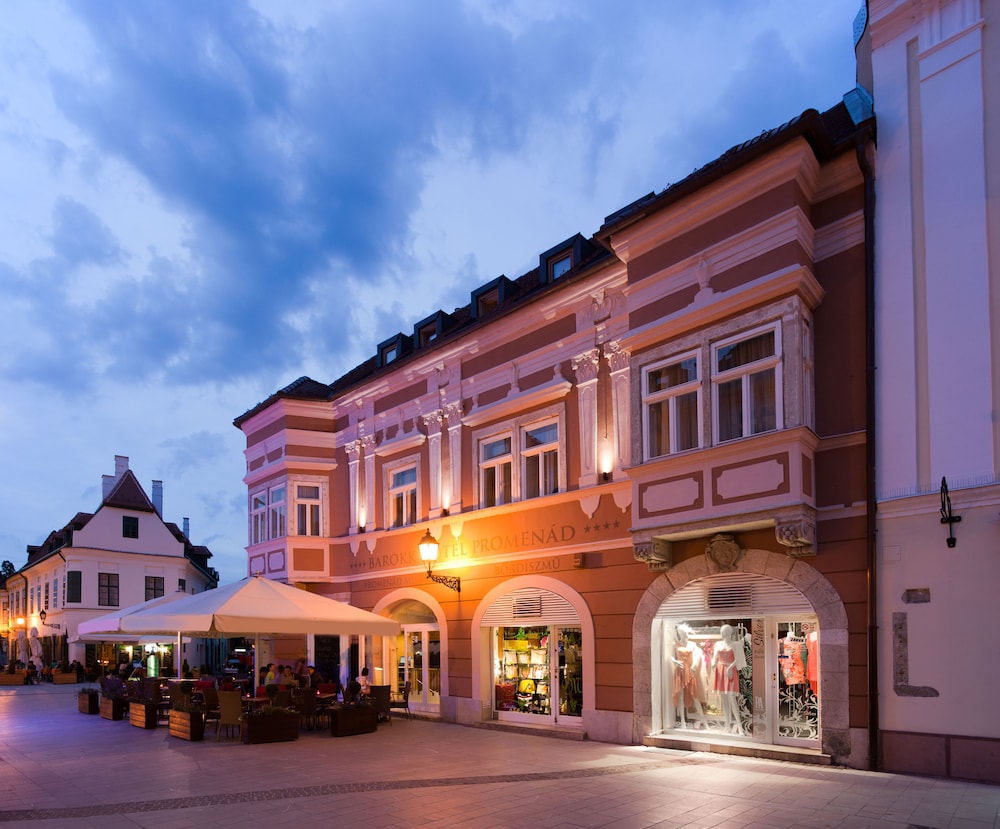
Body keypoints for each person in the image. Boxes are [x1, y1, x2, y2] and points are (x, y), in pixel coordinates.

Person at [712, 625, 747, 735]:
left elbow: (739, 659)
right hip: (720, 671)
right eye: (722, 631)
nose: (722, 633)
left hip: (730, 672)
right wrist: (713, 664)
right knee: (724, 700)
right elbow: (714, 658)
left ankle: (740, 727)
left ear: (729, 632)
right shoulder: (718, 644)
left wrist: (731, 668)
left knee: (732, 698)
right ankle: (727, 725)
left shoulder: (736, 644)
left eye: (724, 631)